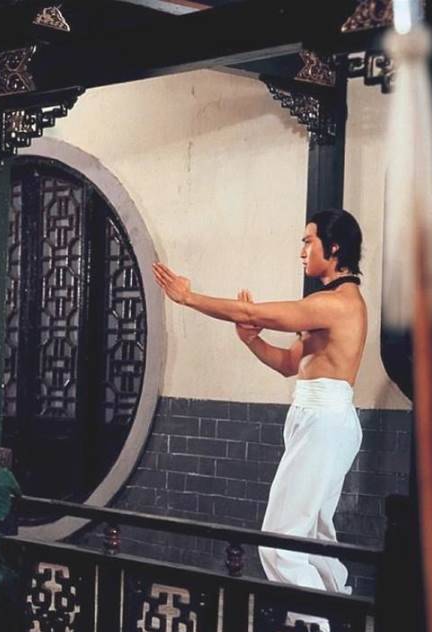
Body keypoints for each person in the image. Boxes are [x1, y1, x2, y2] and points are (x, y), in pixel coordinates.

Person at [153, 208, 366, 595]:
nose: (301, 251)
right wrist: (252, 340)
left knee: (279, 543)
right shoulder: (326, 303)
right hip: (316, 417)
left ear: (334, 247)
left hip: (325, 420)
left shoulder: (338, 304)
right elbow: (288, 364)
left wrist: (188, 297)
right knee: (314, 539)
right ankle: (335, 617)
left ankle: (313, 625)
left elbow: (251, 311)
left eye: (308, 241)